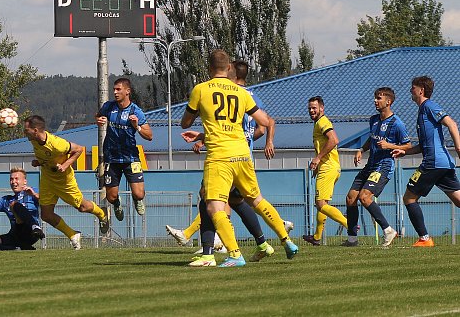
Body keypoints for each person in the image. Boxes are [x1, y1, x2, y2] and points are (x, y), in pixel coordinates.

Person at [168, 60, 293, 266]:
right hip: (243, 154)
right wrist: (261, 139)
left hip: (220, 156)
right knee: (245, 201)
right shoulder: (245, 94)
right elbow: (265, 122)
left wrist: (203, 126)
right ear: (227, 68)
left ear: (211, 68)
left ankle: (219, 253)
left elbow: (186, 122)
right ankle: (278, 241)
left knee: (212, 203)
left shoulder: (202, 89)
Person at [392, 76, 460, 247]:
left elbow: (451, 124)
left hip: (433, 164)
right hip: (443, 164)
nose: (410, 91)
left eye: (412, 88)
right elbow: (423, 145)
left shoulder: (429, 106)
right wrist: (404, 151)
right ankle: (424, 238)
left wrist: (459, 148)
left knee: (409, 197)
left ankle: (425, 239)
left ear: (421, 90)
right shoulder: (422, 111)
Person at [24, 115, 109, 249]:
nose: (24, 133)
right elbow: (48, 157)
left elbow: (79, 149)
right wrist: (38, 162)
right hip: (47, 179)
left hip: (64, 181)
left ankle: (101, 213)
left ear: (35, 130)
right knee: (46, 215)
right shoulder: (34, 140)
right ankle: (73, 234)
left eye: (26, 130)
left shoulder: (57, 144)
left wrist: (65, 165)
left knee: (82, 207)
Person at [343, 87, 411, 247]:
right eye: (375, 98)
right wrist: (362, 149)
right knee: (350, 198)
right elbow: (371, 139)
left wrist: (389, 145)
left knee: (365, 197)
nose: (375, 101)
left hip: (383, 167)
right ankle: (352, 239)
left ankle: (388, 230)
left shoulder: (397, 123)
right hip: (370, 165)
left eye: (379, 98)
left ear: (389, 101)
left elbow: (408, 145)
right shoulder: (373, 119)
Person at [96, 78, 153, 222]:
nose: (115, 92)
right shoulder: (109, 107)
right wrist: (99, 120)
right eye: (114, 89)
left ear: (127, 91)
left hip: (131, 157)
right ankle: (116, 203)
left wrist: (137, 126)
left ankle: (137, 200)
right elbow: (98, 116)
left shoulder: (136, 111)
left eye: (118, 89)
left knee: (139, 194)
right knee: (111, 196)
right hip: (112, 157)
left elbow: (149, 136)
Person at [303, 96, 348, 246]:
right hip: (330, 167)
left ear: (322, 108)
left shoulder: (322, 121)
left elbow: (334, 140)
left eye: (314, 108)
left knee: (321, 204)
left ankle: (350, 225)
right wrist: (319, 163)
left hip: (328, 168)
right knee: (323, 205)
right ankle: (316, 238)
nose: (311, 110)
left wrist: (318, 158)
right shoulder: (318, 123)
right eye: (309, 108)